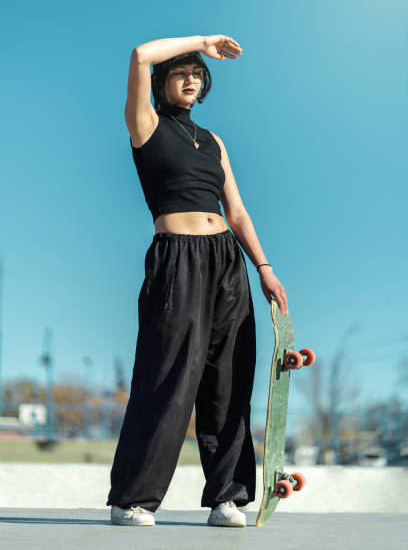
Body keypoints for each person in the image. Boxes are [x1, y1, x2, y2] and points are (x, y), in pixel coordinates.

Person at [106, 34, 289, 527]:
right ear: (161, 83)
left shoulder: (213, 142)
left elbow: (237, 211)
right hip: (176, 260)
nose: (190, 78)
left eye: (196, 74)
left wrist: (264, 268)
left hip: (226, 260)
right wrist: (203, 43)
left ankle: (228, 496)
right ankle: (133, 498)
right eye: (180, 72)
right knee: (166, 377)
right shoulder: (145, 126)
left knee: (228, 380)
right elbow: (140, 55)